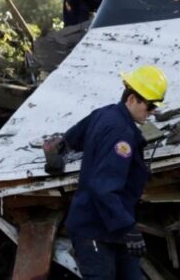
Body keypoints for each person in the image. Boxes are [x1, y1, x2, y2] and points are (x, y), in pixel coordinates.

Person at [49, 65, 168, 279]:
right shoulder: (121, 136)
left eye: (154, 107)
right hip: (94, 227)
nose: (151, 113)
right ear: (132, 99)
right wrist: (128, 227)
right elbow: (103, 188)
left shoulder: (104, 113)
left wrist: (57, 151)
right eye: (149, 106)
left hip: (113, 226)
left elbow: (71, 139)